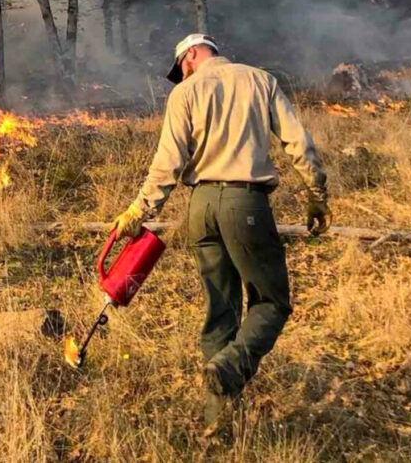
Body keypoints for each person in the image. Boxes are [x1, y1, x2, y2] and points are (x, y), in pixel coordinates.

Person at [112, 33, 330, 433]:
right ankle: (230, 366)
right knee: (272, 303)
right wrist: (317, 194)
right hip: (245, 205)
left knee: (221, 313)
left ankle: (218, 419)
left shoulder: (186, 94)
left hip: (202, 208)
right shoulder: (260, 80)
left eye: (182, 66)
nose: (182, 74)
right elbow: (297, 141)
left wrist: (138, 211)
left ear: (192, 54)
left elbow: (168, 163)